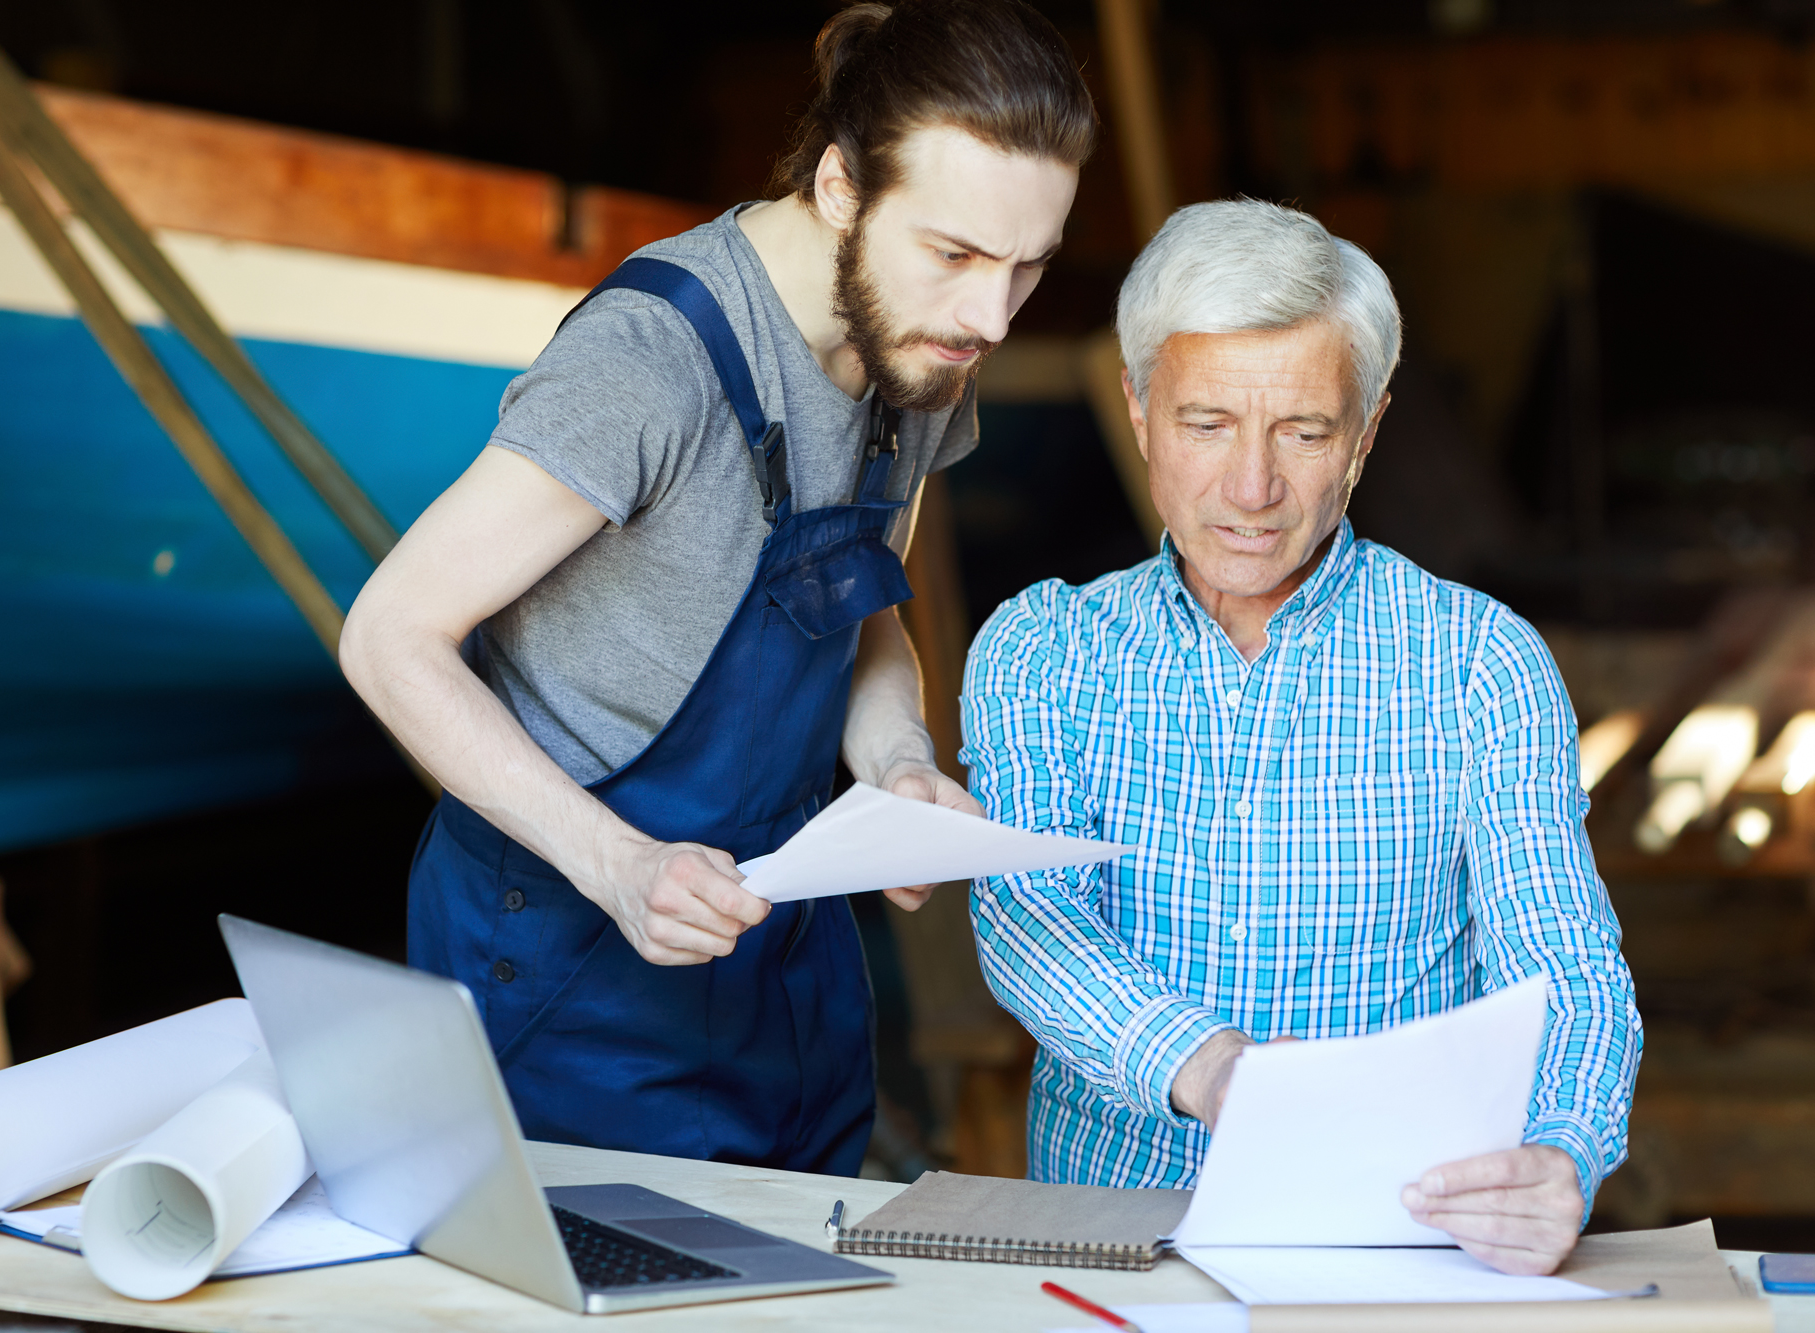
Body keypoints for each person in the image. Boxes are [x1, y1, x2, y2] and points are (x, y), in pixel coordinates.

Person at [339, 0, 1093, 1176]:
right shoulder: (647, 364)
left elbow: (864, 602)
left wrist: (896, 763)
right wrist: (618, 864)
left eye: (1027, 268)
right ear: (840, 188)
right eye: (953, 254)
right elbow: (389, 636)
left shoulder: (923, 354)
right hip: (566, 965)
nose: (988, 317)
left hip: (778, 961)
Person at [962, 199, 1642, 1275]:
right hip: (1110, 1239)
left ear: (1364, 435)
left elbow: (1559, 961)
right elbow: (1023, 914)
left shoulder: (1478, 661)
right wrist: (1211, 1067)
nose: (1250, 489)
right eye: (1205, 424)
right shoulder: (1044, 648)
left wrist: (1560, 1152)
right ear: (1137, 410)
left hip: (1396, 1242)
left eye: (1303, 431)